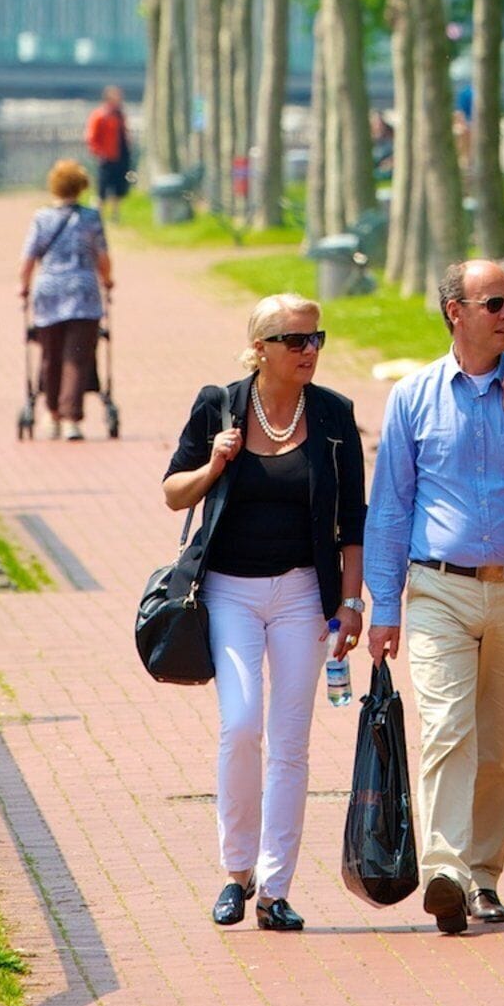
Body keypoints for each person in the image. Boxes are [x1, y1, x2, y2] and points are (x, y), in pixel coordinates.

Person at [364, 258, 504, 937]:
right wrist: (384, 607)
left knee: (499, 746)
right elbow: (390, 509)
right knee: (444, 728)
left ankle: (485, 876)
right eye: (491, 302)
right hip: (438, 588)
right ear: (453, 312)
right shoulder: (412, 397)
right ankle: (445, 871)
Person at [160, 294, 368, 933]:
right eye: (296, 341)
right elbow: (173, 494)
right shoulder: (218, 405)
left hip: (305, 593)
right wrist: (215, 462)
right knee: (241, 724)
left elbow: (353, 522)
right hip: (230, 590)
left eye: (316, 339)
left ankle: (275, 889)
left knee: (291, 741)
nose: (310, 351)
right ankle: (236, 873)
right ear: (262, 348)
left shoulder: (334, 416)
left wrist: (352, 601)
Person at [20, 160, 113, 437]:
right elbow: (103, 257)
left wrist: (23, 286)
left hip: (48, 293)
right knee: (76, 356)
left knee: (50, 355)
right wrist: (107, 280)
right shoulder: (91, 217)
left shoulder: (41, 218)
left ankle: (52, 415)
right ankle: (72, 418)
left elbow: (28, 259)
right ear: (81, 186)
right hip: (83, 293)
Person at [87, 85, 134, 212]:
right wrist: (99, 152)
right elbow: (92, 137)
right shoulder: (99, 115)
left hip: (121, 156)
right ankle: (97, 212)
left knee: (119, 186)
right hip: (106, 157)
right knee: (103, 187)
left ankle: (115, 213)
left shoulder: (120, 115)